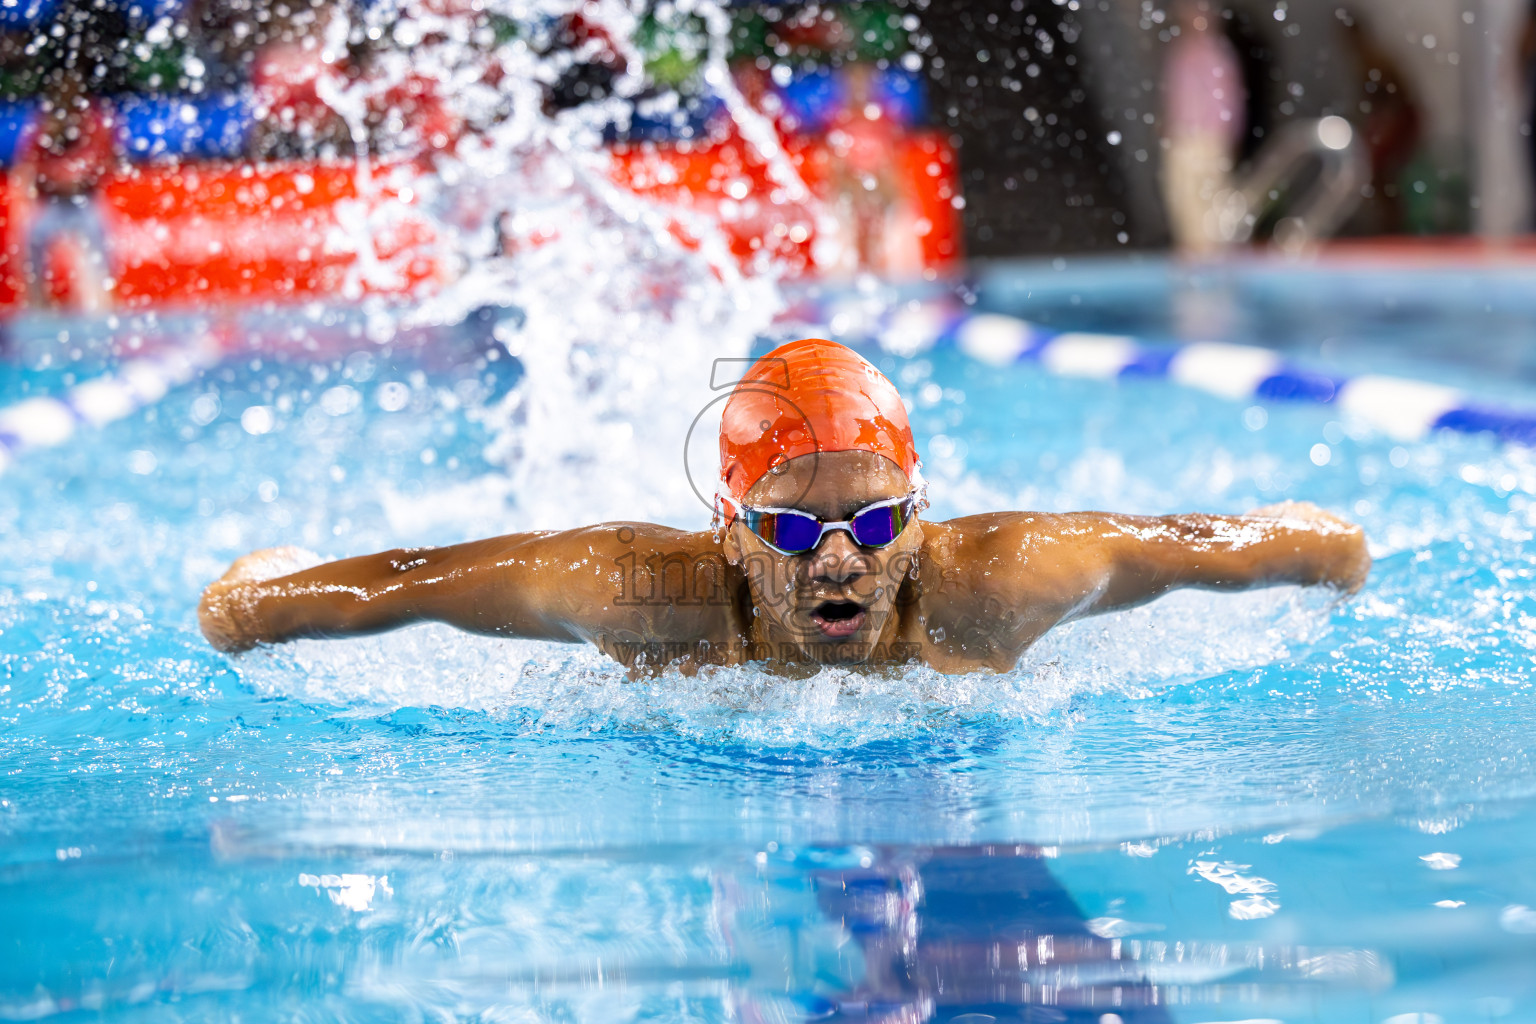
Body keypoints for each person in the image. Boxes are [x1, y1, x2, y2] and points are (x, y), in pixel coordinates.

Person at [199, 338, 1369, 674]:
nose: (839, 564)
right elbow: (422, 582)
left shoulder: (1005, 578)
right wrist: (257, 602)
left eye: (871, 525)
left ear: (920, 513)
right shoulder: (640, 593)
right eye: (796, 531)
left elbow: (1208, 544)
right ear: (729, 528)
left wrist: (1320, 546)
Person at [13, 67, 119, 310]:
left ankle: (104, 300)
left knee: (101, 239)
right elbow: (30, 165)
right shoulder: (43, 124)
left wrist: (77, 178)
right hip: (53, 204)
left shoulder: (95, 122)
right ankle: (37, 301)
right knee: (31, 239)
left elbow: (105, 162)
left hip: (85, 203)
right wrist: (57, 178)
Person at [1161, 0, 1246, 254]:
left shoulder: (1217, 53)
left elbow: (1229, 101)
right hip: (1182, 138)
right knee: (1182, 195)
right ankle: (1193, 248)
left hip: (1208, 138)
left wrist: (1226, 136)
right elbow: (1174, 95)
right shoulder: (1181, 51)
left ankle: (1214, 251)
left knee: (1211, 197)